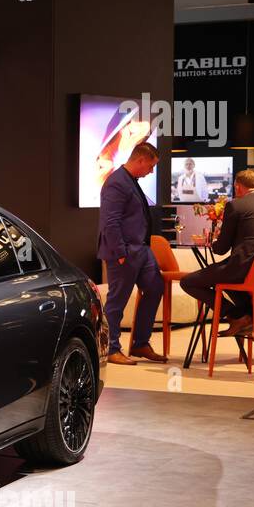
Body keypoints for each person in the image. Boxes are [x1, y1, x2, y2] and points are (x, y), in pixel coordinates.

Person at [180, 169, 254, 340]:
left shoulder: (236, 205)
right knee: (228, 279)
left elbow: (222, 248)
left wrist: (212, 243)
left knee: (188, 282)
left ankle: (236, 315)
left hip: (244, 269)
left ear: (237, 187)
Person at [97, 142, 165, 366]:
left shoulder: (131, 182)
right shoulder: (117, 183)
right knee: (117, 300)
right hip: (124, 251)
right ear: (141, 160)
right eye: (151, 166)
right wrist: (120, 252)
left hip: (142, 250)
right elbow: (110, 221)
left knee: (156, 287)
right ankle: (110, 348)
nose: (151, 171)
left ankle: (140, 343)